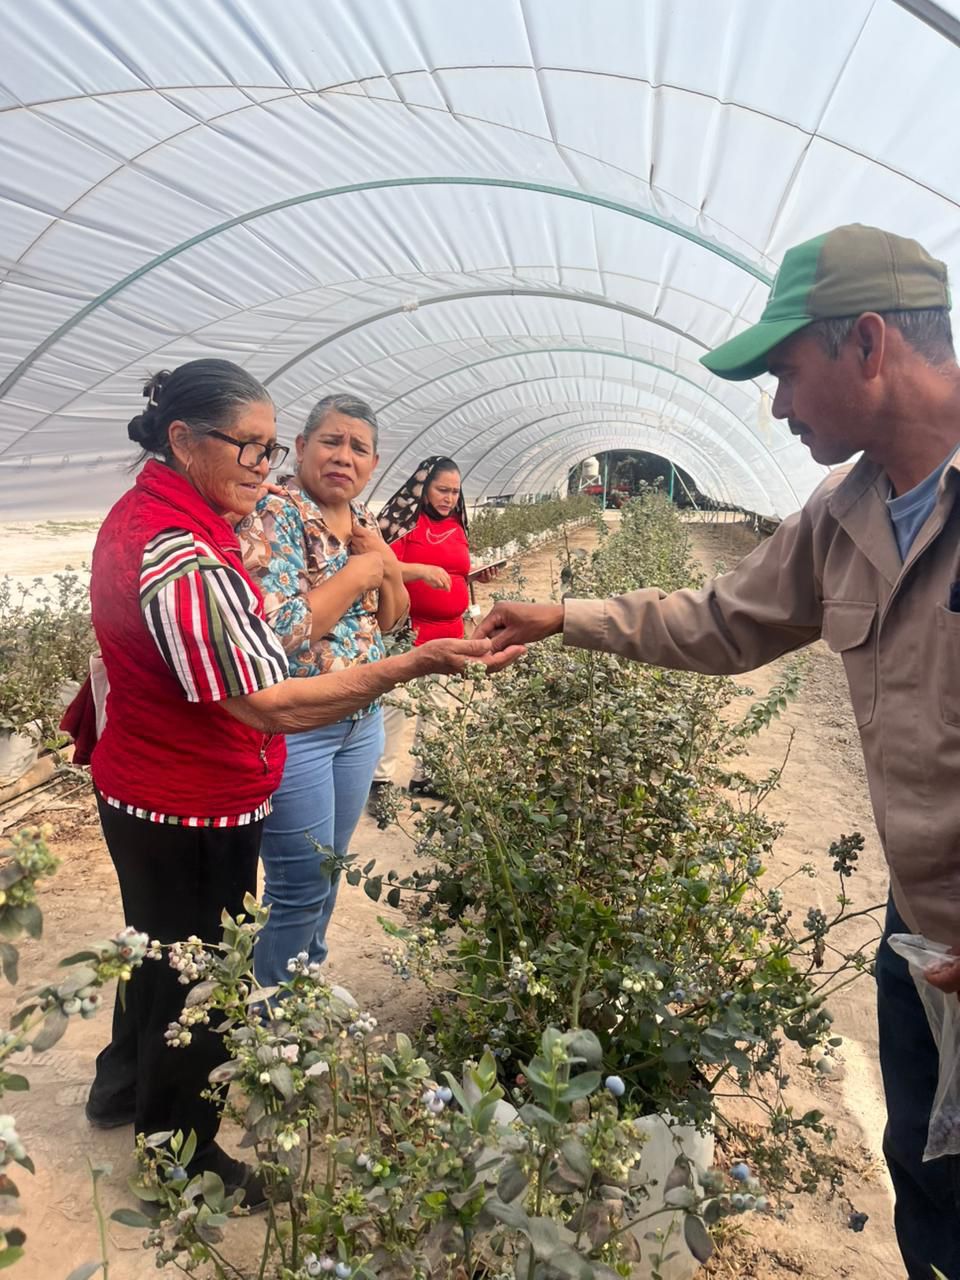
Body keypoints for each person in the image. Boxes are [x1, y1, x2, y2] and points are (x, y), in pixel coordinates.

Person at [475, 224, 960, 1280]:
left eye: (786, 371)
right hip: (923, 928)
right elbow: (721, 620)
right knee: (931, 1185)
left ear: (869, 343)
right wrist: (565, 616)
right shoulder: (845, 512)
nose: (778, 406)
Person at [81, 360, 520, 1206]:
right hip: (185, 796)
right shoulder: (185, 552)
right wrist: (410, 661)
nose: (262, 464)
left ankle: (120, 1087)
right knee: (200, 967)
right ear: (182, 440)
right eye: (249, 447)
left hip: (149, 778)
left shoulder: (161, 512)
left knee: (160, 949)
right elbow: (269, 702)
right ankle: (184, 1160)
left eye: (267, 446)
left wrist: (383, 580)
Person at [238, 394, 407, 987]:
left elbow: (391, 619)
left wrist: (379, 558)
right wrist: (362, 572)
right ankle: (271, 1022)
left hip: (361, 724)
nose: (344, 456)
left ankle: (304, 983)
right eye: (332, 442)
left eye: (359, 448)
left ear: (374, 463)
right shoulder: (276, 513)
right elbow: (277, 631)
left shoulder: (362, 525)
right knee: (299, 883)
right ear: (303, 448)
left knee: (329, 870)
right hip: (302, 726)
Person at [367, 456, 498, 806]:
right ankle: (379, 781)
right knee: (399, 704)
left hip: (451, 631)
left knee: (439, 705)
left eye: (455, 491)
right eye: (442, 489)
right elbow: (382, 567)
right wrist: (421, 570)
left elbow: (455, 571)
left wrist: (474, 576)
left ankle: (427, 775)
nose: (449, 498)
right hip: (410, 632)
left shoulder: (457, 526)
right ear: (423, 488)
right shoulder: (405, 524)